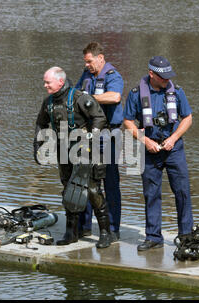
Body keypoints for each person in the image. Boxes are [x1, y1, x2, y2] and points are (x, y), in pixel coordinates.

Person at [34, 66, 113, 249]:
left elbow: (99, 118)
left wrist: (92, 136)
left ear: (60, 81)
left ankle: (105, 233)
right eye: (45, 82)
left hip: (84, 151)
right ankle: (71, 233)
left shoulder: (80, 98)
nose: (45, 85)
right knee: (69, 191)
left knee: (93, 192)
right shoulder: (49, 103)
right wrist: (37, 145)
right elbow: (41, 123)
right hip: (63, 152)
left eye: (48, 82)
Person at [123, 56, 194, 251]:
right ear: (151, 74)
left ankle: (186, 235)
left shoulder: (176, 92)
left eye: (168, 77)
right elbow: (128, 122)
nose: (166, 80)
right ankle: (153, 237)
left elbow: (187, 118)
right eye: (163, 77)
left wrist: (173, 138)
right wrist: (145, 141)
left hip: (174, 149)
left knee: (182, 191)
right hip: (149, 149)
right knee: (151, 194)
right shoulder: (136, 94)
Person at [75, 42, 124, 240]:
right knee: (86, 179)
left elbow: (115, 97)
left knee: (109, 182)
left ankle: (113, 228)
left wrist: (89, 99)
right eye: (85, 61)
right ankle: (84, 226)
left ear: (100, 58)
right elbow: (77, 93)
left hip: (108, 135)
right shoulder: (86, 75)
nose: (87, 65)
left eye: (90, 61)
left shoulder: (113, 76)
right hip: (88, 134)